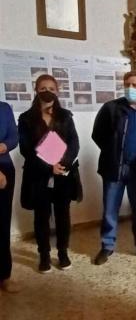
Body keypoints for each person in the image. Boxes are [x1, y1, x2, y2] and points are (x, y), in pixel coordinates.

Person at [92, 71, 136, 265]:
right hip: (114, 168)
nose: (131, 88)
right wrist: (114, 153)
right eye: (128, 84)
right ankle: (107, 246)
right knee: (110, 209)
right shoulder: (111, 108)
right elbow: (98, 135)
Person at [18, 75, 81, 273]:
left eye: (51, 88)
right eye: (43, 87)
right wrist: (48, 167)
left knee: (63, 216)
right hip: (38, 175)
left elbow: (74, 143)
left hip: (63, 174)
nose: (48, 91)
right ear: (36, 90)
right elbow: (26, 149)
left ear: (57, 91)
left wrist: (63, 163)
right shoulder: (26, 119)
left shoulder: (65, 116)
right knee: (41, 217)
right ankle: (44, 256)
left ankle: (63, 253)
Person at [0, 100, 19, 293]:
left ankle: (4, 275)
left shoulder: (4, 108)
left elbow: (14, 136)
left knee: (3, 224)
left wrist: (4, 146)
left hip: (5, 168)